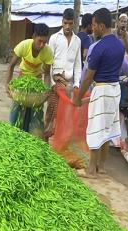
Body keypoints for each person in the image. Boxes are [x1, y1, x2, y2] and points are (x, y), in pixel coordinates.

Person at [74, 8, 125, 178]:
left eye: (94, 25)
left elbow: (88, 77)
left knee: (96, 129)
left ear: (102, 26)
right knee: (108, 128)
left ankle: (90, 170)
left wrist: (78, 97)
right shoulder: (119, 45)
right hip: (115, 89)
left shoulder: (98, 47)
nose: (92, 28)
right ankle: (101, 167)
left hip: (102, 90)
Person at [5, 23, 53, 138]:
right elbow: (11, 66)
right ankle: (13, 135)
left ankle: (33, 138)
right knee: (16, 110)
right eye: (39, 41)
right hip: (22, 80)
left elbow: (46, 74)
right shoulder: (24, 46)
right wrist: (7, 84)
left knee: (36, 114)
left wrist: (46, 90)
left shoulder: (47, 52)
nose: (42, 45)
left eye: (44, 42)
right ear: (34, 36)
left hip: (36, 82)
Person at [46, 8, 82, 138]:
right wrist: (51, 83)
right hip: (55, 82)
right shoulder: (54, 38)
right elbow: (48, 63)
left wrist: (77, 83)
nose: (67, 26)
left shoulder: (77, 41)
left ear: (74, 23)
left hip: (69, 85)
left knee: (65, 115)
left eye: (70, 23)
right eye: (65, 23)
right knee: (51, 113)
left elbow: (78, 65)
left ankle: (59, 142)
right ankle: (46, 141)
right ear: (62, 22)